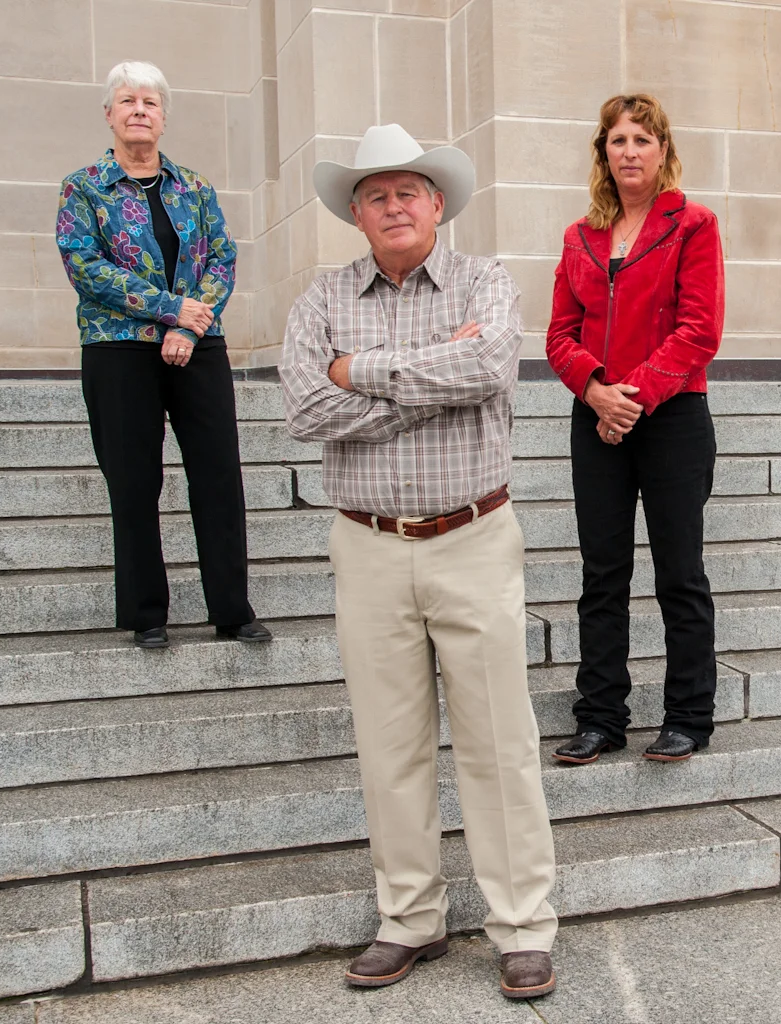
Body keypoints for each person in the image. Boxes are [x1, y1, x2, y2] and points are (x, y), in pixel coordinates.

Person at [279, 124, 558, 1000]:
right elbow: (305, 410)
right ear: (354, 213)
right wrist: (426, 380)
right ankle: (410, 918)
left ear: (437, 203)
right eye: (375, 193)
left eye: (408, 190)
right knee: (387, 745)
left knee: (497, 743)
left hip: (473, 537)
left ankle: (522, 925)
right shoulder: (320, 297)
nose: (394, 204)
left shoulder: (484, 280)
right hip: (366, 544)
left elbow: (489, 365)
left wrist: (358, 369)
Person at [56, 60, 269, 650]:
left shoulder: (194, 188)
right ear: (109, 115)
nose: (139, 110)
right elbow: (86, 268)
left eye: (150, 102)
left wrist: (191, 326)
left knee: (219, 475)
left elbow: (222, 259)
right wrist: (171, 310)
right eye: (127, 101)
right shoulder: (84, 188)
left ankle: (232, 608)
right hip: (119, 350)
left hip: (196, 345)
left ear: (164, 117)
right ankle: (147, 614)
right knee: (133, 478)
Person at [544, 93, 725, 766]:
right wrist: (595, 391)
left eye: (641, 140)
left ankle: (687, 716)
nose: (628, 152)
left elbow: (699, 330)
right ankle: (599, 718)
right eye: (617, 141)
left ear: (662, 151)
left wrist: (633, 398)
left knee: (679, 573)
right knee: (602, 573)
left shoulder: (693, 224)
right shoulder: (579, 237)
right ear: (603, 154)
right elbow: (559, 335)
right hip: (596, 418)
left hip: (672, 415)